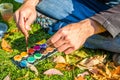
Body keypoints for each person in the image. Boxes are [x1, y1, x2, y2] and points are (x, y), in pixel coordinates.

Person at [14, 0, 120, 64]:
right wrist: (30, 3)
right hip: (90, 4)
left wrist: (87, 28)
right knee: (42, 3)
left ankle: (56, 25)